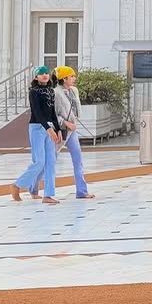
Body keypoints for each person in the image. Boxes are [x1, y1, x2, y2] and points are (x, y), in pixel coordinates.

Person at [10, 67, 61, 204]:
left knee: (50, 162)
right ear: (36, 77)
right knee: (39, 162)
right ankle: (17, 185)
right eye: (41, 74)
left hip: (49, 127)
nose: (45, 75)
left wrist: (58, 129)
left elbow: (52, 112)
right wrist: (48, 129)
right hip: (37, 128)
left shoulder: (50, 91)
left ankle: (48, 195)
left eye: (46, 73)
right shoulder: (34, 92)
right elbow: (37, 112)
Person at [53, 66, 95, 200]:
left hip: (72, 131)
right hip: (61, 131)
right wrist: (65, 123)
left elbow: (76, 106)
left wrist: (76, 117)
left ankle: (81, 191)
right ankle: (33, 187)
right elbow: (53, 114)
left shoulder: (74, 90)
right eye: (71, 76)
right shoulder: (56, 93)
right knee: (50, 160)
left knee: (78, 160)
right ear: (64, 78)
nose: (74, 78)